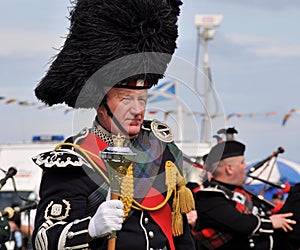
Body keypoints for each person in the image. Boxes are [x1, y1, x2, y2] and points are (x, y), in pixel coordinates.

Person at [31, 0, 196, 250]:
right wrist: (90, 229)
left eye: (142, 99)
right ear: (99, 103)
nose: (138, 109)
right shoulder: (74, 162)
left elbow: (180, 234)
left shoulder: (161, 149)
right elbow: (44, 240)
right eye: (125, 99)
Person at [192, 132, 297, 250]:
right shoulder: (209, 198)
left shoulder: (243, 195)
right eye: (242, 162)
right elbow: (241, 224)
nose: (246, 166)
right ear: (229, 168)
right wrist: (271, 222)